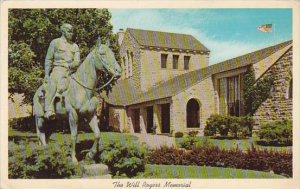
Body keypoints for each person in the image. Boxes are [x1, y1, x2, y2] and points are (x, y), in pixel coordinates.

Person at [44, 23, 80, 119]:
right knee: (56, 82)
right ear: (63, 31)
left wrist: (71, 65)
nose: (71, 33)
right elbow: (48, 59)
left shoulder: (75, 46)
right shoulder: (55, 42)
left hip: (71, 70)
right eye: (69, 31)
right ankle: (49, 108)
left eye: (72, 32)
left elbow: (77, 61)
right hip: (58, 69)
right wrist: (47, 74)